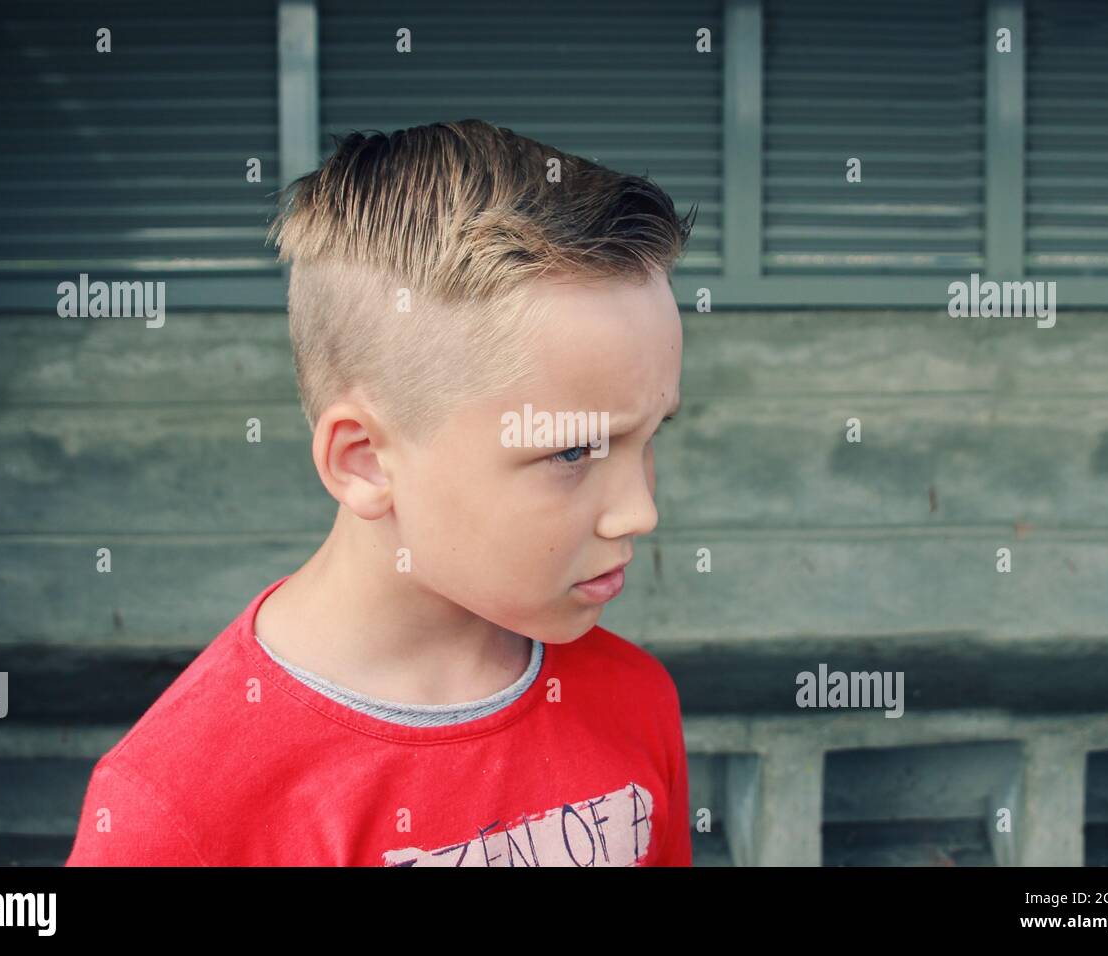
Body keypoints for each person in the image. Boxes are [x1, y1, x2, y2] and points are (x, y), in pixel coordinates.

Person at [65, 119, 695, 866]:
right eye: (570, 450)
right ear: (364, 461)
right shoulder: (175, 811)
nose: (642, 511)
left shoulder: (635, 700)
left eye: (649, 435)